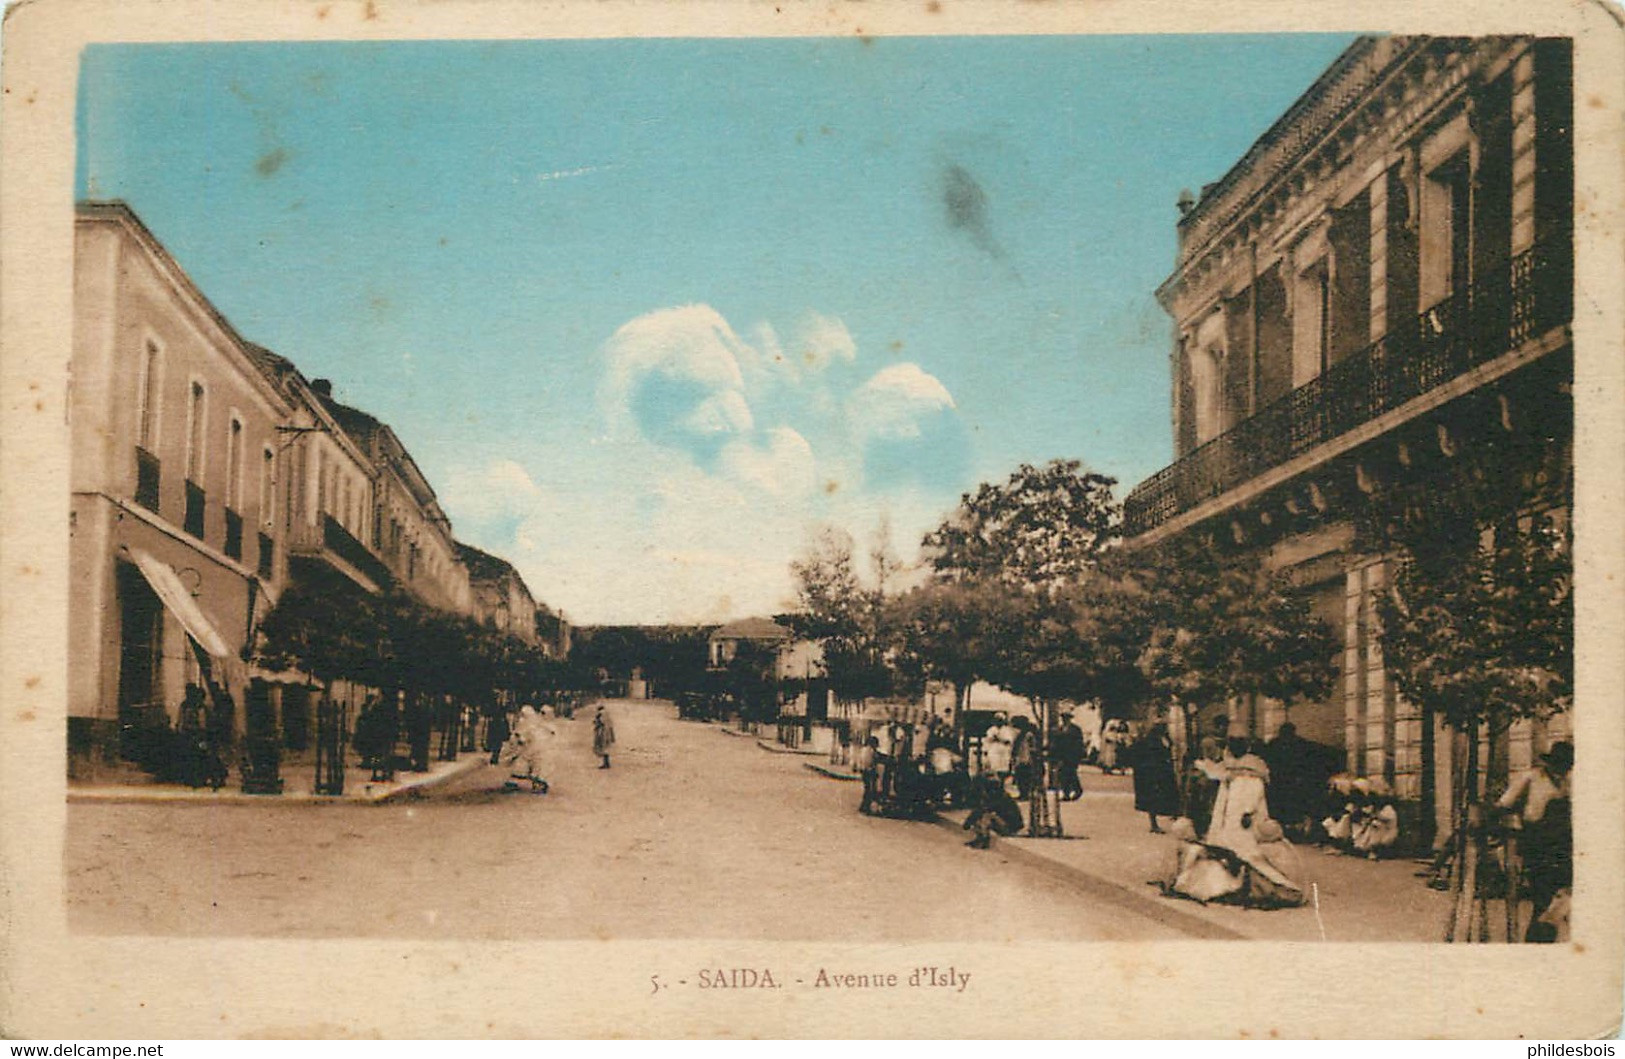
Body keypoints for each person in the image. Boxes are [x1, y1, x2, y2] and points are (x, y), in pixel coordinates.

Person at [1167, 737, 1304, 908]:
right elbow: (1217, 777)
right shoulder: (1233, 769)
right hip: (1231, 819)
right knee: (1228, 851)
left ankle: (1243, 882)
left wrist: (1248, 811)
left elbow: (1254, 794)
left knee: (1245, 852)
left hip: (1244, 821)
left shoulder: (1251, 769)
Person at [1496, 740, 1573, 942]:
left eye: (1565, 767)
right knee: (1543, 898)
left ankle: (1542, 937)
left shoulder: (1568, 782)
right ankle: (1537, 941)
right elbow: (1504, 805)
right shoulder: (1530, 778)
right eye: (1558, 766)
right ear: (1549, 763)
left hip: (1563, 846)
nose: (1561, 771)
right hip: (1536, 844)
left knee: (1561, 897)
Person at [1129, 720, 1181, 833]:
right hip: (1155, 772)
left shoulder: (1165, 738)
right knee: (1153, 798)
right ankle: (1154, 824)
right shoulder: (1150, 740)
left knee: (1168, 795)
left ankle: (1172, 817)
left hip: (1165, 771)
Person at [963, 774, 1024, 849]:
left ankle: (984, 839)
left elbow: (983, 809)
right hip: (1004, 823)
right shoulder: (997, 795)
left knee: (986, 816)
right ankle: (979, 838)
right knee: (981, 817)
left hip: (1010, 827)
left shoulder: (1000, 797)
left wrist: (968, 822)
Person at [1052, 712, 1085, 800]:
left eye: (1066, 718)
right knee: (1063, 775)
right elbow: (1057, 743)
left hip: (1072, 755)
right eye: (1063, 718)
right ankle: (1066, 793)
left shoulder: (1075, 729)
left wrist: (1078, 755)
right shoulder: (1060, 729)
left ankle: (1077, 790)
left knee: (1071, 774)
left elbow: (1079, 743)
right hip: (1062, 756)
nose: (1064, 720)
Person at [856, 735, 881, 815]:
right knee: (869, 790)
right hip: (869, 771)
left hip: (864, 771)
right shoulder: (871, 751)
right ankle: (866, 808)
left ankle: (863, 806)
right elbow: (870, 761)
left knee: (867, 789)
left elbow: (860, 761)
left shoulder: (863, 749)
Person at [592, 704, 616, 769]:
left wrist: (596, 723)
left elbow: (599, 723)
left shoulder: (600, 714)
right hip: (608, 732)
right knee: (606, 748)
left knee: (602, 747)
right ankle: (607, 763)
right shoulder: (607, 714)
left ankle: (606, 764)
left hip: (602, 732)